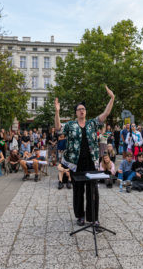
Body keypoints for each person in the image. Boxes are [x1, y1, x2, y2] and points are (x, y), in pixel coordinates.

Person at [54, 85, 114, 227]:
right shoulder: (70, 125)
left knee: (93, 190)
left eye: (83, 109)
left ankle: (93, 218)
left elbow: (105, 114)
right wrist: (57, 112)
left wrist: (112, 98)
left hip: (91, 162)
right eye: (79, 109)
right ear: (76, 112)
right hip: (76, 162)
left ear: (85, 112)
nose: (82, 111)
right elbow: (58, 129)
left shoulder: (92, 124)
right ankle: (80, 216)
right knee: (78, 190)